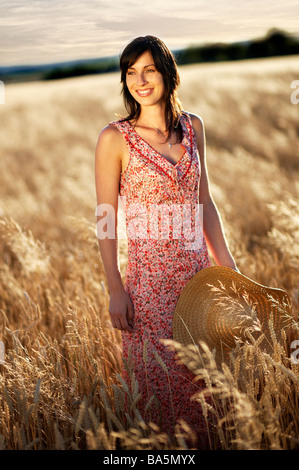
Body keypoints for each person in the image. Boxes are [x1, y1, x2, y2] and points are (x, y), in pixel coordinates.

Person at [95, 35, 238, 448]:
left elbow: (205, 202)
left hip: (198, 283)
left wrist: (226, 267)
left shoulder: (193, 127)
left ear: (167, 73)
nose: (140, 80)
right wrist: (115, 288)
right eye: (131, 72)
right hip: (148, 289)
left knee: (208, 391)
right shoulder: (114, 138)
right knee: (162, 398)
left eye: (149, 70)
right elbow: (106, 219)